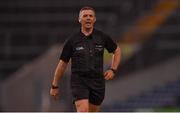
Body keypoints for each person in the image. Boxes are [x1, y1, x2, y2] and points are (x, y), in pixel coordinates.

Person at [50, 6, 121, 112]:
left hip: (98, 82)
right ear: (79, 19)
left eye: (90, 16)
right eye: (85, 16)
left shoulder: (102, 37)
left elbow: (117, 51)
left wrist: (113, 69)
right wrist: (54, 85)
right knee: (83, 110)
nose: (88, 18)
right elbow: (62, 64)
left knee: (93, 111)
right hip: (79, 81)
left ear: (94, 19)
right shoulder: (72, 40)